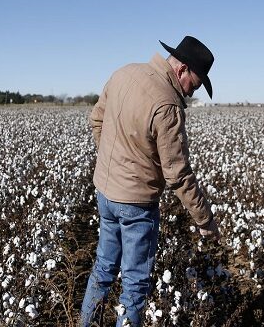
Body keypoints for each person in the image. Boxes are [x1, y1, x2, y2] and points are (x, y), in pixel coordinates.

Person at [80, 36, 221, 327]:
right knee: (134, 285)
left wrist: (113, 164)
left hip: (105, 193)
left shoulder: (123, 73)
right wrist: (204, 220)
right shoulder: (167, 104)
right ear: (182, 70)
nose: (191, 93)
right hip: (136, 205)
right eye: (194, 85)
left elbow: (97, 120)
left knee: (103, 267)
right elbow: (177, 173)